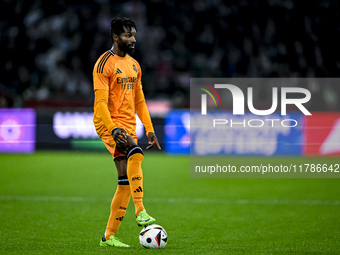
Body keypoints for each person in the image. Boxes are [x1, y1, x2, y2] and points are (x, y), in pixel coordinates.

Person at [92, 16, 161, 248]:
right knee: (136, 152)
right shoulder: (104, 64)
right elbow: (101, 103)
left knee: (124, 182)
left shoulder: (134, 65)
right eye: (127, 35)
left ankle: (108, 237)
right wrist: (112, 130)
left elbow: (140, 101)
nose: (132, 39)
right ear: (115, 37)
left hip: (128, 123)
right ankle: (140, 210)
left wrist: (149, 129)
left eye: (134, 35)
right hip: (109, 123)